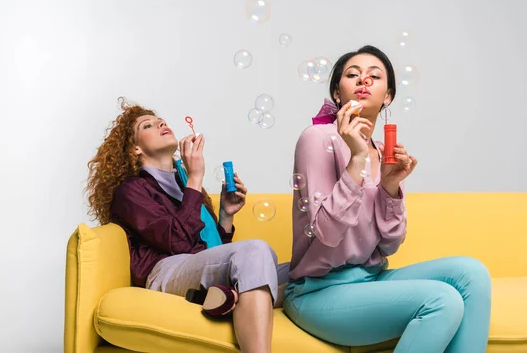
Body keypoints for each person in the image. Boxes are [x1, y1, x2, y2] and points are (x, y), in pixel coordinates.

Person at [283, 45, 491, 353]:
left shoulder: (383, 150)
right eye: (352, 74)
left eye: (374, 76)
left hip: (371, 279)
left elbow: (390, 244)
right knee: (442, 301)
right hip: (318, 291)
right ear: (337, 95)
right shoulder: (317, 138)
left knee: (472, 273)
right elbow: (325, 234)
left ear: (388, 96)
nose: (362, 80)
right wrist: (356, 159)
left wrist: (391, 186)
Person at [86, 99, 289, 353]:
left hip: (193, 267)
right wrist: (195, 177)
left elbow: (212, 251)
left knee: (303, 267)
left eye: (161, 120)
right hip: (163, 272)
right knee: (257, 251)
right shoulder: (131, 191)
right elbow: (178, 242)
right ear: (135, 149)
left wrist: (226, 215)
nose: (161, 123)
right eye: (148, 125)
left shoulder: (184, 184)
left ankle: (231, 297)